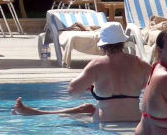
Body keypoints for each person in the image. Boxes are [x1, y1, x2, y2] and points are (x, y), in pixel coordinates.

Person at [12, 23, 150, 122]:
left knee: (88, 109)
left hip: (105, 121)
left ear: (102, 45)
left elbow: (72, 90)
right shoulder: (141, 64)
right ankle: (37, 113)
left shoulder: (97, 64)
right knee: (88, 108)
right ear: (123, 42)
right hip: (134, 120)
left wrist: (91, 86)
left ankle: (39, 114)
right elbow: (153, 89)